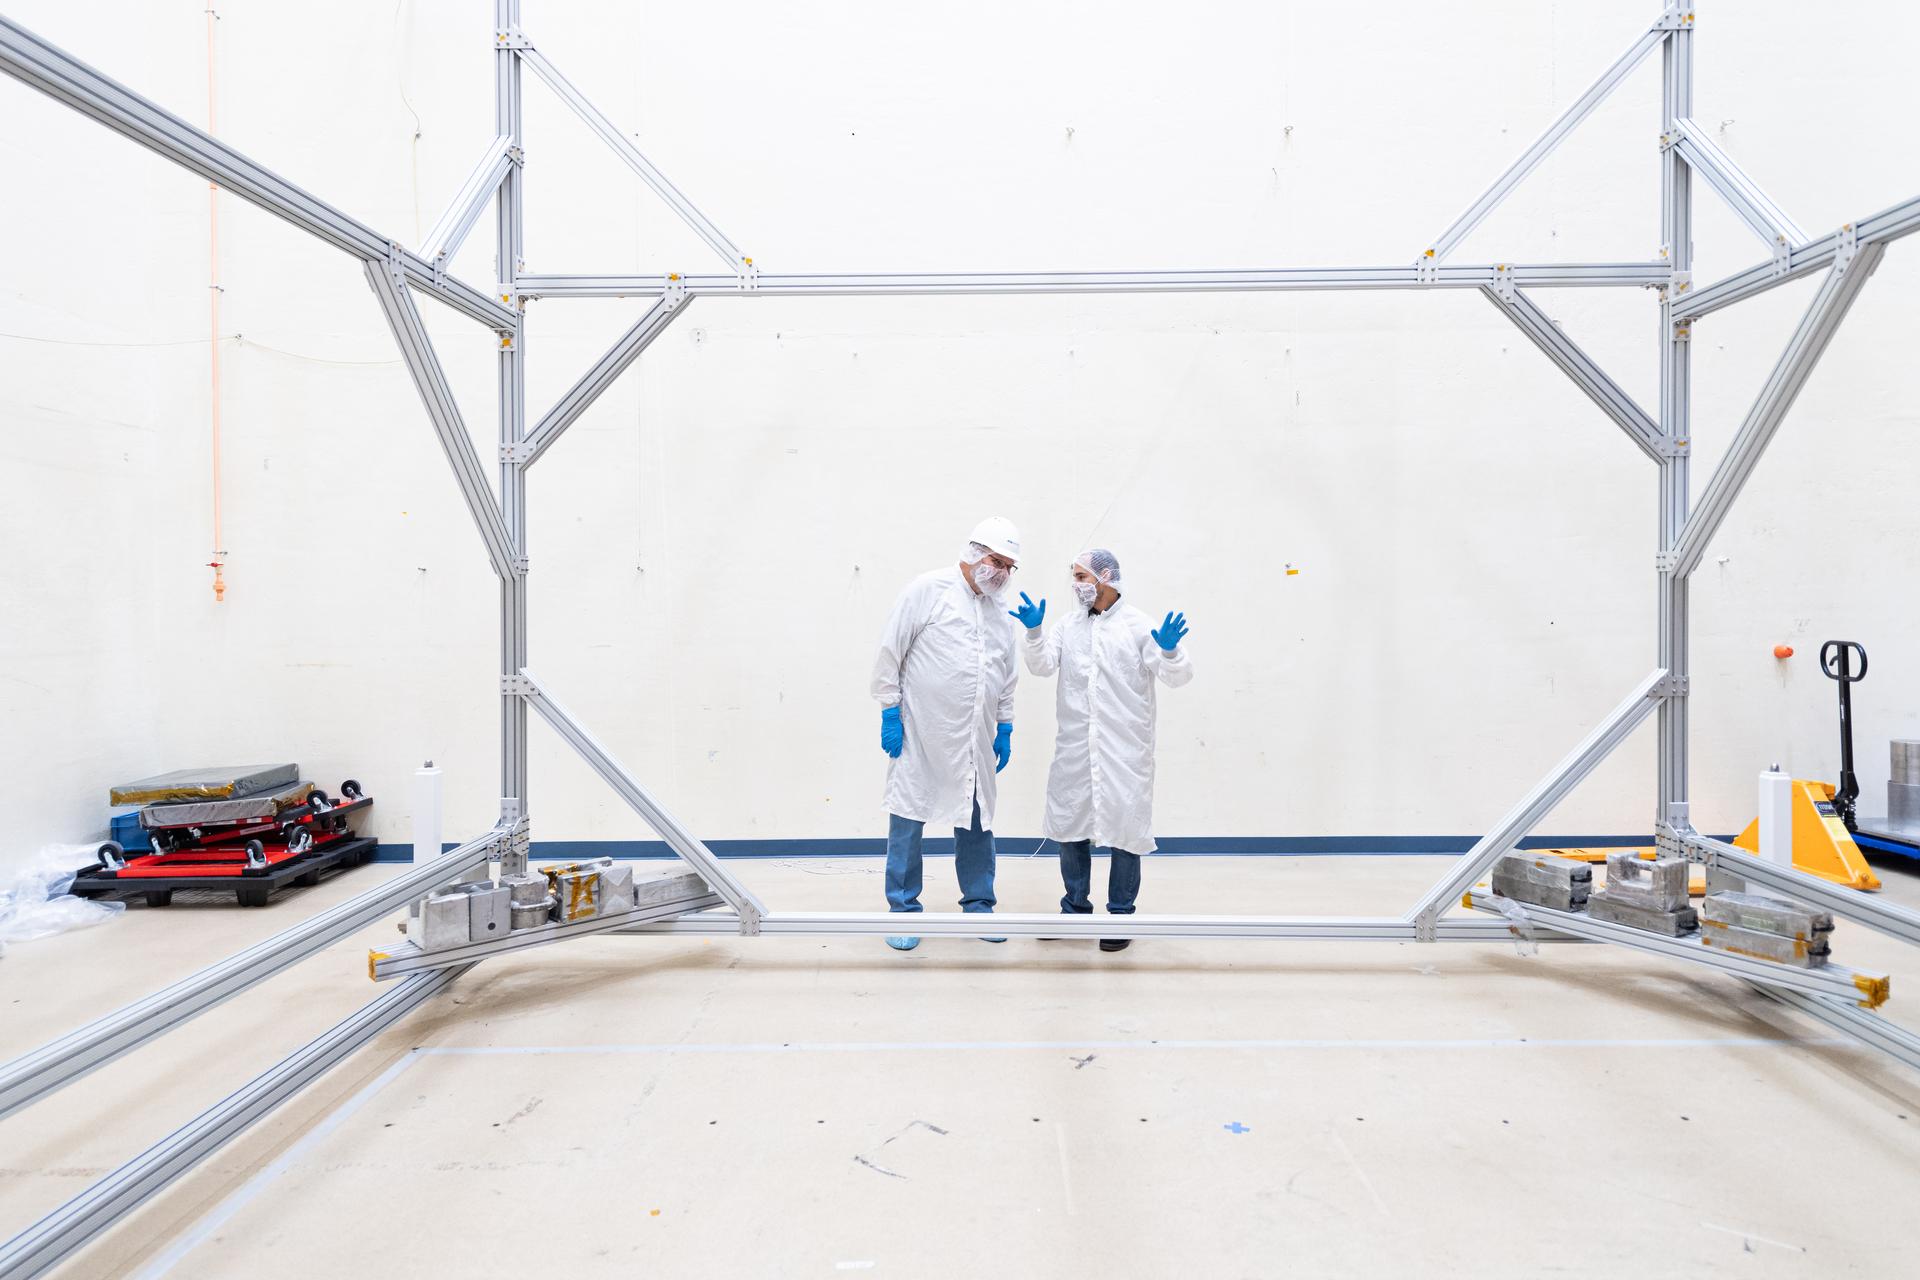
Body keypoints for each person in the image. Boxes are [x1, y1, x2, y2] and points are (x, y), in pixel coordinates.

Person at [1010, 548, 1192, 951]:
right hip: (1076, 749)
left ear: (1105, 578)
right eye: (1074, 577)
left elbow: (1176, 677)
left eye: (1080, 577)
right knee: (1070, 827)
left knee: (1126, 833)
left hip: (1125, 752)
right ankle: (1075, 910)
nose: (1075, 586)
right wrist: (1035, 633)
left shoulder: (1139, 626)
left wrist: (1169, 651)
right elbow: (1041, 667)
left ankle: (1120, 916)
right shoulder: (1067, 627)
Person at [870, 517, 1024, 951]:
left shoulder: (1000, 612)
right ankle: (902, 909)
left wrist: (1006, 724)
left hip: (975, 737)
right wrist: (889, 711)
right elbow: (890, 652)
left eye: (1010, 567)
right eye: (997, 561)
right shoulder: (927, 590)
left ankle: (979, 903)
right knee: (908, 814)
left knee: (978, 820)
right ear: (974, 553)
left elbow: (1006, 675)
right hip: (922, 730)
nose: (1002, 574)